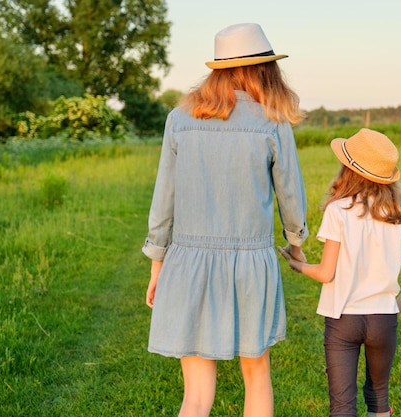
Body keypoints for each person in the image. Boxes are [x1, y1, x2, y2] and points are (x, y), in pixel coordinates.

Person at [142, 23, 308, 417]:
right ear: (265, 70)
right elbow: (291, 197)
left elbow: (164, 198)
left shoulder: (178, 119)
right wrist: (295, 242)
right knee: (256, 375)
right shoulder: (272, 121)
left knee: (196, 396)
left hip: (188, 263)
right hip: (251, 264)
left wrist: (157, 264)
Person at [278, 128, 401, 417]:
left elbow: (326, 273)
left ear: (349, 169)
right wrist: (389, 310)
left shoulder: (339, 210)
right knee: (379, 397)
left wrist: (298, 265)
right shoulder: (399, 215)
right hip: (384, 320)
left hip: (343, 318)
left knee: (343, 407)